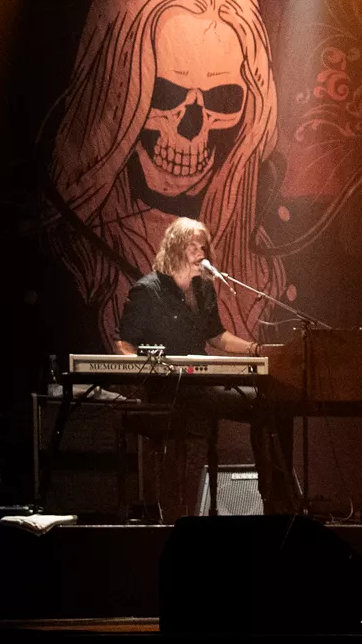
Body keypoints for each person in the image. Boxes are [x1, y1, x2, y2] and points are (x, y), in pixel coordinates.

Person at [113, 216, 292, 517]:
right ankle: (179, 512)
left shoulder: (204, 289)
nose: (201, 253)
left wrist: (256, 350)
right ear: (175, 248)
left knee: (271, 403)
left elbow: (215, 335)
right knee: (201, 414)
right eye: (193, 247)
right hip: (168, 388)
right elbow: (123, 342)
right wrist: (144, 371)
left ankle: (276, 502)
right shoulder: (148, 290)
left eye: (203, 247)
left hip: (201, 384)